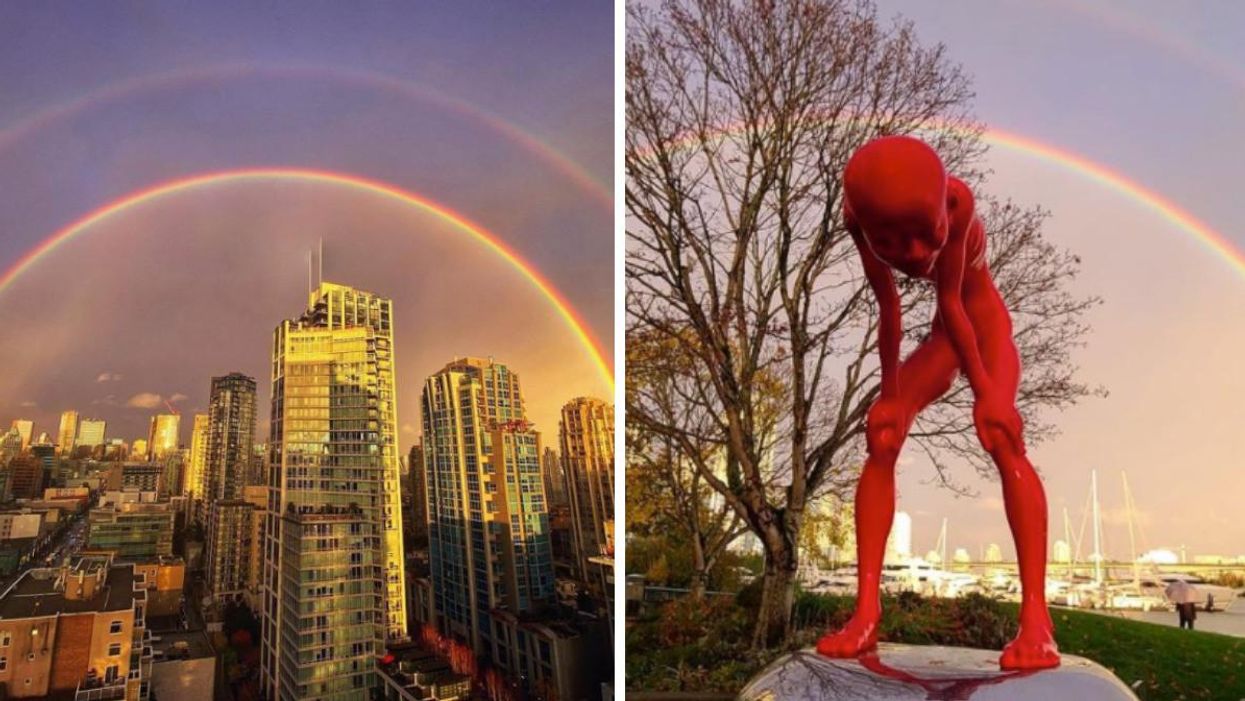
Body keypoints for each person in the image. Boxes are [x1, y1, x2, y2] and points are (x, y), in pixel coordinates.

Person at [815, 135, 1059, 670]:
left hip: (980, 324)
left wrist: (991, 395)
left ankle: (1037, 619)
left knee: (1000, 434)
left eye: (927, 238)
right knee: (882, 434)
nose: (916, 256)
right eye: (895, 244)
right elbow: (889, 309)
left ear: (944, 208)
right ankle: (865, 614)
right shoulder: (855, 219)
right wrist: (891, 396)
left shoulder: (960, 201)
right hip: (944, 335)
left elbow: (953, 304)